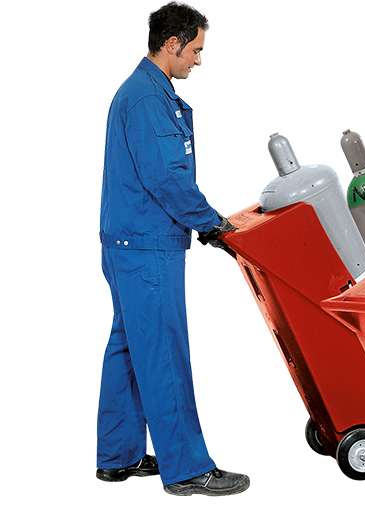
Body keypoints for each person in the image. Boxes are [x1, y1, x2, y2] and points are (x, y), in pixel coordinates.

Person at [97, 2, 248, 496]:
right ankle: (186, 469)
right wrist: (212, 223)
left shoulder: (143, 91)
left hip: (127, 244)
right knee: (163, 351)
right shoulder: (147, 98)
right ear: (172, 44)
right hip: (147, 248)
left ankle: (117, 457)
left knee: (129, 348)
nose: (198, 61)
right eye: (195, 50)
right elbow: (166, 178)